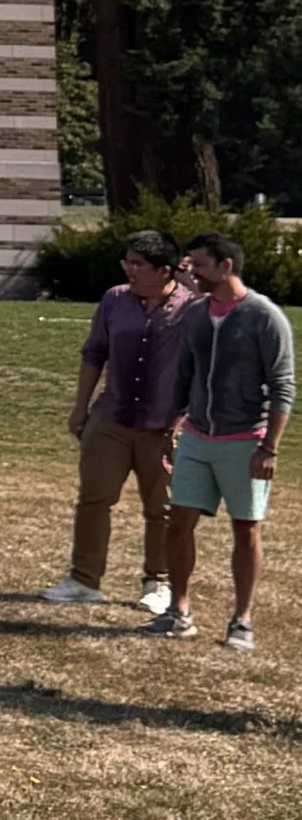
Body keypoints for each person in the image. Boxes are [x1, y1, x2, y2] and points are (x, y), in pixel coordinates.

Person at [148, 232, 293, 651]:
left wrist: (269, 448)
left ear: (226, 267)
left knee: (246, 529)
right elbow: (185, 375)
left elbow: (282, 386)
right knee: (178, 523)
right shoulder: (195, 315)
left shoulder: (264, 316)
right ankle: (179, 612)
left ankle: (242, 621)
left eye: (199, 264)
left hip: (246, 440)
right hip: (197, 436)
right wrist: (170, 427)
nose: (190, 271)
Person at [45, 230, 182, 613]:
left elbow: (203, 370)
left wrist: (185, 420)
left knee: (162, 509)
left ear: (164, 270)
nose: (129, 270)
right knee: (93, 498)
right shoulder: (114, 300)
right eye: (127, 262)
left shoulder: (192, 308)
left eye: (137, 264)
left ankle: (159, 582)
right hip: (111, 418)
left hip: (164, 426)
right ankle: (83, 580)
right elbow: (94, 353)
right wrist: (80, 408)